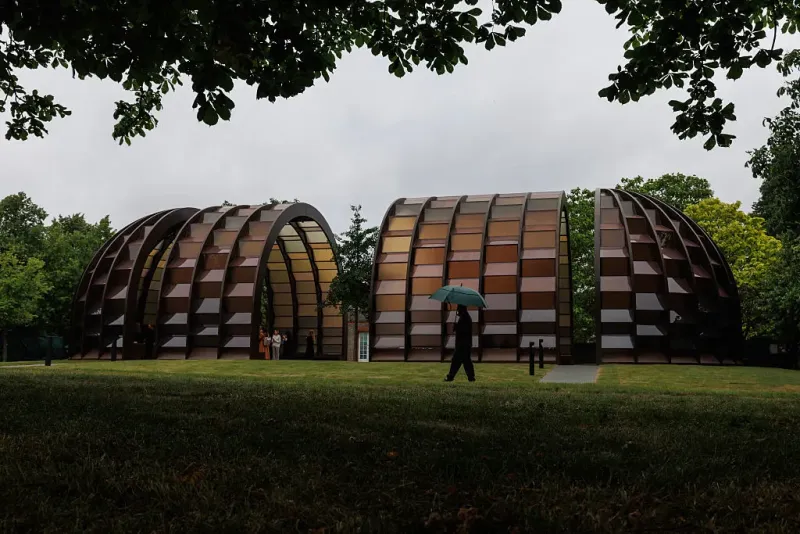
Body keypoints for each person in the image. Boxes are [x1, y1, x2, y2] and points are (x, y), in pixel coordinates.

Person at [445, 305, 475, 382]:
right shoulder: (465, 317)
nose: (457, 310)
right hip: (465, 344)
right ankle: (471, 377)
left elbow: (463, 331)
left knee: (457, 360)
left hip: (462, 344)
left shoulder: (464, 318)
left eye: (458, 309)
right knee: (465, 361)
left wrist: (456, 327)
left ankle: (451, 376)